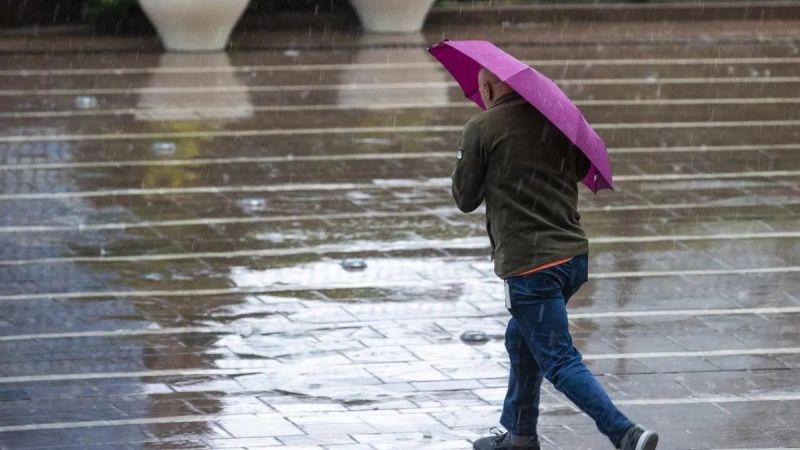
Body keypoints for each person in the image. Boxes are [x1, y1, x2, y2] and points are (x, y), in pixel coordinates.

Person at [453, 68, 659, 450]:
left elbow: (464, 198)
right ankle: (520, 435)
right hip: (571, 257)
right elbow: (580, 169)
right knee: (521, 338)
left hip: (531, 266)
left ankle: (624, 433)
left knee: (558, 359)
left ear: (487, 86)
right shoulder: (555, 120)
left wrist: (476, 157)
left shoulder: (482, 127)